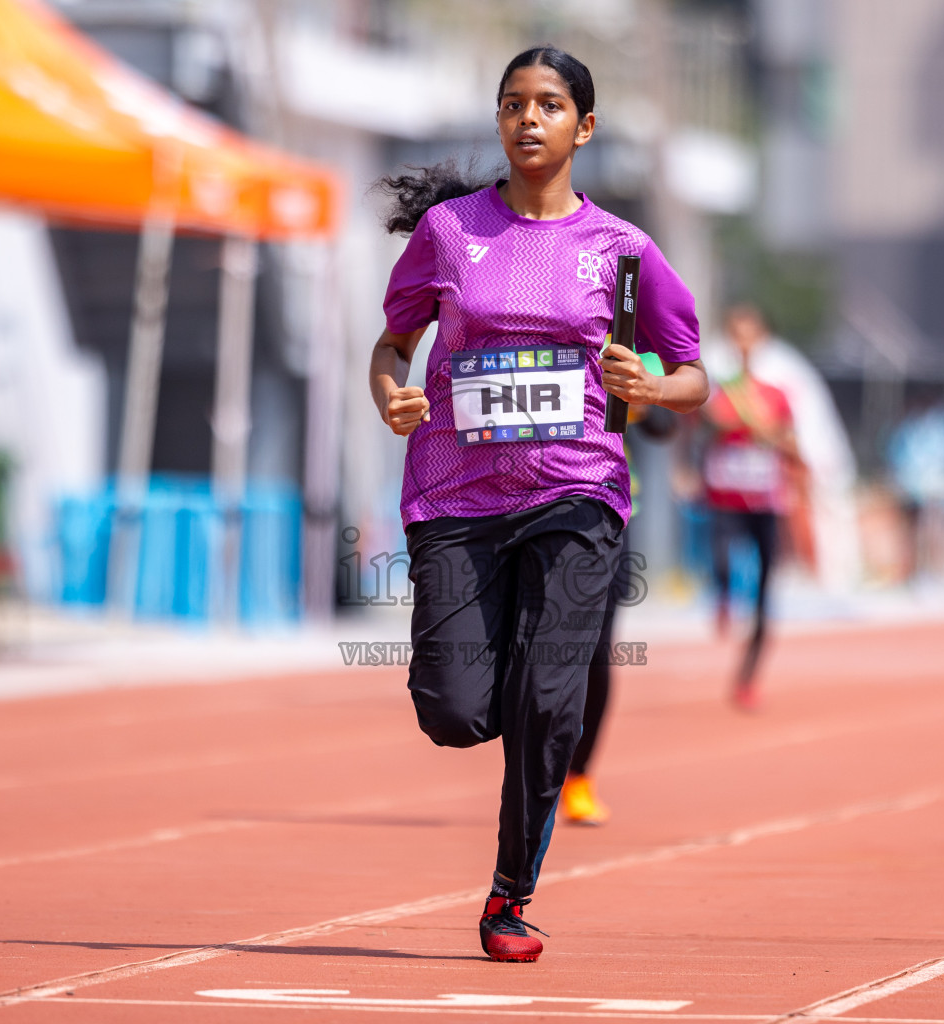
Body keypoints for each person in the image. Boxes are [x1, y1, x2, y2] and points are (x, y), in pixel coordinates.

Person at [369, 46, 707, 963]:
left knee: (551, 698)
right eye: (513, 104)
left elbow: (693, 376)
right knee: (452, 711)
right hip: (456, 495)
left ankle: (509, 896)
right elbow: (392, 344)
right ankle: (511, 686)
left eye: (550, 106)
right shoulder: (446, 233)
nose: (529, 120)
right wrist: (392, 394)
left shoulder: (624, 252)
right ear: (498, 120)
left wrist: (655, 384)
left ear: (582, 127)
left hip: (577, 492)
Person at [560, 403, 672, 827]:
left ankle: (579, 775)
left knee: (596, 651)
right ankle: (536, 765)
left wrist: (634, 395)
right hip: (533, 509)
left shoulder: (628, 346)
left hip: (611, 516)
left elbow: (664, 423)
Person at [698, 305, 798, 710]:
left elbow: (792, 444)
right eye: (735, 333)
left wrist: (769, 433)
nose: (742, 342)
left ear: (761, 339)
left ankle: (747, 679)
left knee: (765, 593)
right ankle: (722, 594)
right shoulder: (719, 388)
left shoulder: (777, 394)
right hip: (725, 497)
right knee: (722, 561)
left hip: (766, 501)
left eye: (749, 333)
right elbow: (707, 426)